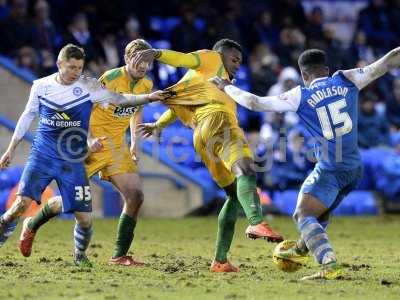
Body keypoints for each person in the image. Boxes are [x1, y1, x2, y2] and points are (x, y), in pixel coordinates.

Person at [210, 47, 400, 280]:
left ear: (303, 75)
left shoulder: (301, 94)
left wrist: (226, 86)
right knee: (318, 214)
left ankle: (329, 265)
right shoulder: (347, 78)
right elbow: (384, 64)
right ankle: (301, 249)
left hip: (330, 168)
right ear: (327, 70)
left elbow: (253, 102)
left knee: (302, 214)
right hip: (354, 168)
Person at [0, 43, 164, 267]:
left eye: (148, 61)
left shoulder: (137, 83)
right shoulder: (105, 78)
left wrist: (136, 139)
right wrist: (87, 140)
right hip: (83, 147)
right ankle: (31, 223)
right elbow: (79, 109)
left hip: (115, 147)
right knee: (49, 202)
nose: (144, 65)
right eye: (139, 59)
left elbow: (129, 106)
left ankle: (115, 255)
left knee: (133, 197)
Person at [133, 38, 284, 273]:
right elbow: (183, 59)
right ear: (221, 55)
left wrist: (159, 125)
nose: (236, 66)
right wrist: (156, 53)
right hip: (219, 120)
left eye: (240, 62)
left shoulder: (200, 80)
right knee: (245, 169)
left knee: (234, 195)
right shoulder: (210, 58)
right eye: (234, 59)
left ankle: (220, 260)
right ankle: (256, 222)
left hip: (201, 135)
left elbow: (179, 105)